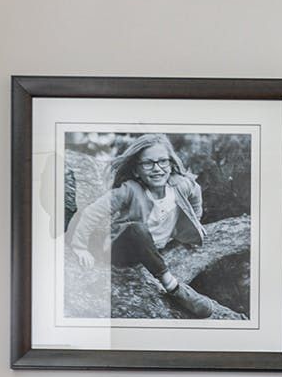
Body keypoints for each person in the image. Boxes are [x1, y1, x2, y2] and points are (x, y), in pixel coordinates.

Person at [67, 133, 216, 317]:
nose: (157, 168)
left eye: (163, 161)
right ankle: (173, 287)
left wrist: (194, 223)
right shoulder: (129, 190)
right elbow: (92, 212)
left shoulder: (181, 186)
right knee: (137, 230)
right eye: (148, 163)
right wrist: (80, 246)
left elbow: (195, 192)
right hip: (121, 250)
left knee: (143, 234)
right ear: (136, 170)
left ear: (171, 164)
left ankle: (160, 267)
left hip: (153, 249)